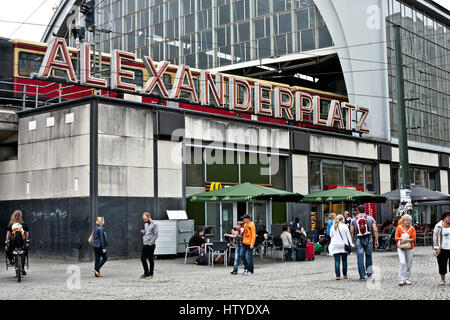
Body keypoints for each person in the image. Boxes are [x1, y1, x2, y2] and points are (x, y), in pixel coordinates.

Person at [350, 205, 379, 280]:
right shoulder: (370, 218)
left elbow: (351, 231)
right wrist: (376, 240)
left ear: (358, 210)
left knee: (360, 257)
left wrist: (352, 241)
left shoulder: (354, 219)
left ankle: (362, 275)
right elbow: (375, 229)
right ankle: (369, 273)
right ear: (365, 210)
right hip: (368, 238)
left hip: (358, 239)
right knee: (369, 255)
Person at [329, 214, 354, 280]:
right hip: (343, 245)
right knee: (344, 260)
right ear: (342, 219)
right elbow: (348, 236)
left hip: (335, 245)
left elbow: (330, 235)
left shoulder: (333, 226)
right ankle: (345, 274)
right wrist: (351, 244)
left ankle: (337, 275)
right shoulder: (345, 226)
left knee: (337, 261)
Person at [5, 210, 29, 275]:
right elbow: (26, 234)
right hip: (22, 243)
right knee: (24, 252)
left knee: (7, 249)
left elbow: (8, 234)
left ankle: (11, 260)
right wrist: (26, 240)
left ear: (13, 215)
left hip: (13, 244)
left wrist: (7, 241)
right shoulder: (24, 224)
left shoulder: (11, 224)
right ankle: (23, 268)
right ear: (21, 216)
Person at [395, 214, 416, 285]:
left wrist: (406, 240)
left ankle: (407, 278)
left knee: (409, 263)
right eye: (407, 220)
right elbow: (396, 237)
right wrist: (401, 239)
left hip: (410, 248)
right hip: (400, 247)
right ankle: (402, 279)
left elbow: (414, 238)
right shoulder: (399, 228)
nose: (408, 222)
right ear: (403, 221)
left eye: (409, 220)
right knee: (402, 262)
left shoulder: (412, 228)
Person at [433, 211, 450, 286]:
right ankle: (442, 280)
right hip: (442, 248)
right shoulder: (438, 226)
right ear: (444, 218)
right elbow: (435, 237)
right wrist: (436, 247)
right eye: (448, 217)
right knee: (442, 264)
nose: (449, 218)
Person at [140, 212, 159, 279]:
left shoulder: (155, 224)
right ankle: (146, 273)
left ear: (149, 217)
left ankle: (151, 274)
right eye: (143, 219)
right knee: (142, 258)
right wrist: (143, 232)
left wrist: (151, 242)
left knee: (150, 259)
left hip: (151, 244)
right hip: (145, 243)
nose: (144, 220)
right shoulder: (145, 224)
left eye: (145, 219)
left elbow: (156, 234)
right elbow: (147, 232)